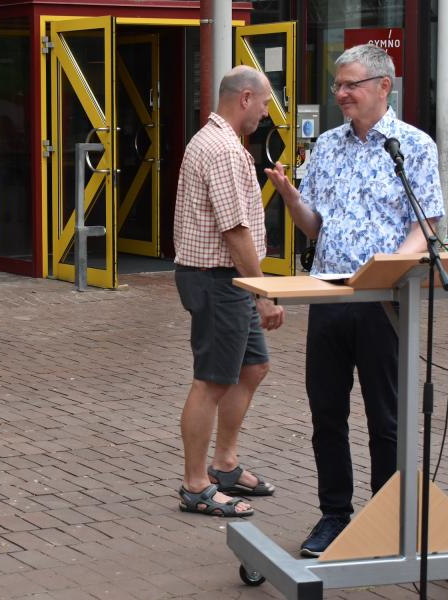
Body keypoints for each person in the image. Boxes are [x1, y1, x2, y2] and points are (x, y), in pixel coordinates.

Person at [265, 44, 444, 556]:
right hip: (328, 296)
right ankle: (334, 516)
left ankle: (389, 520)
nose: (341, 93)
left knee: (386, 417)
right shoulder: (326, 145)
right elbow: (315, 227)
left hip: (385, 300)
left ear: (383, 86)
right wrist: (291, 198)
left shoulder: (413, 146)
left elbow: (427, 223)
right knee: (327, 413)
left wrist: (393, 267)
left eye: (351, 85)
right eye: (338, 85)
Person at [174, 66, 285, 518]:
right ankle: (195, 485)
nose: (266, 112)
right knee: (212, 380)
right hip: (220, 280)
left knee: (252, 366)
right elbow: (235, 231)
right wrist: (263, 293)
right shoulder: (222, 149)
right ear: (244, 98)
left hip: (224, 279)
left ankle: (224, 465)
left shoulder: (217, 142)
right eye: (265, 102)